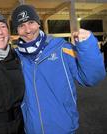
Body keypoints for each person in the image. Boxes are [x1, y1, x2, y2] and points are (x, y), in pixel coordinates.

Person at [11, 4, 106, 134]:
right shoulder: (16, 57)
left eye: (31, 22)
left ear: (38, 23)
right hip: (31, 129)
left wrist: (87, 46)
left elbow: (91, 78)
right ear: (17, 30)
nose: (28, 30)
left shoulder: (61, 48)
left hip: (63, 128)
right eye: (21, 25)